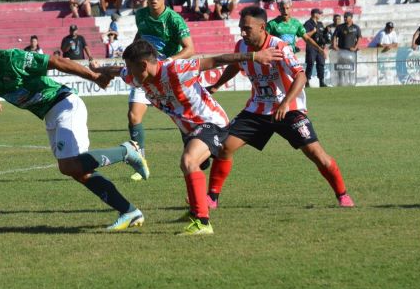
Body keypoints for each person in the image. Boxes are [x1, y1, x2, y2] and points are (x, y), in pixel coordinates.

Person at [0, 26, 149, 231]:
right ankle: (129, 211)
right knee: (78, 171)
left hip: (64, 104)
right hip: (50, 114)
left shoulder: (12, 59)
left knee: (69, 165)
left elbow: (57, 62)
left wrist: (95, 77)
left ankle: (127, 150)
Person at [97, 39, 283, 234]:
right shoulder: (136, 76)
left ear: (143, 65)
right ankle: (196, 211)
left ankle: (203, 223)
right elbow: (117, 71)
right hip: (188, 130)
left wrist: (254, 56)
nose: (129, 72)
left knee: (188, 161)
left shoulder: (175, 69)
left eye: (131, 67)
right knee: (193, 165)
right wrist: (101, 73)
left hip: (210, 122)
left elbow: (216, 60)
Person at [206, 5, 355, 209]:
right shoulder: (241, 46)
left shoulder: (279, 46)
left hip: (289, 109)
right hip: (257, 109)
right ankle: (211, 198)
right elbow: (235, 65)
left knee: (316, 154)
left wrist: (285, 103)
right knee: (224, 147)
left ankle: (343, 195)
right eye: (241, 27)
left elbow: (301, 76)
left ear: (262, 27)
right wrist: (216, 85)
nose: (242, 32)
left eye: (247, 28)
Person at [128, 0, 194, 180]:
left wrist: (168, 62)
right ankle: (141, 163)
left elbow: (190, 49)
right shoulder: (140, 15)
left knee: (182, 121)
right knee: (133, 116)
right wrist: (133, 53)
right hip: (144, 73)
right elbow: (141, 34)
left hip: (167, 76)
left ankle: (196, 154)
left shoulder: (174, 19)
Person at [303, 8, 330, 87]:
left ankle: (321, 82)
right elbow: (305, 35)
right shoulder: (308, 23)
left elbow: (322, 36)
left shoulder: (320, 24)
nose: (320, 15)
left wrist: (326, 31)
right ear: (314, 14)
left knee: (321, 64)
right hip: (311, 46)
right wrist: (313, 31)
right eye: (319, 13)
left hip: (320, 47)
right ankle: (307, 81)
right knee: (310, 63)